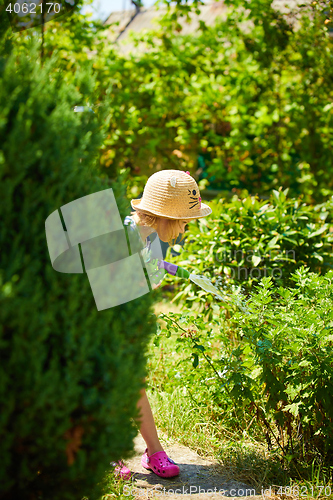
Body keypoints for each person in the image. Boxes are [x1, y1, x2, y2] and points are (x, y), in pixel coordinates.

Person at [113, 169, 212, 480]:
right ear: (162, 215)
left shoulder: (149, 236)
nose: (185, 228)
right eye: (183, 220)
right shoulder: (122, 237)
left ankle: (153, 452)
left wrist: (162, 267)